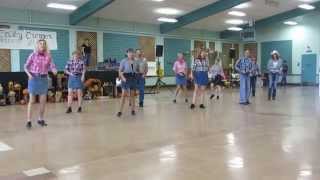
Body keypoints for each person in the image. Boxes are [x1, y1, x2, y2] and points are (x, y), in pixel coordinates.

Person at [24, 39, 57, 129]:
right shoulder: (33, 55)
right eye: (40, 43)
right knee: (32, 101)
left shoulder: (48, 56)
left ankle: (40, 119)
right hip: (34, 78)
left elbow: (52, 66)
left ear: (45, 46)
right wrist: (29, 75)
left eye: (44, 44)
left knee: (43, 101)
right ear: (37, 45)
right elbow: (25, 67)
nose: (42, 45)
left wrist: (54, 70)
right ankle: (29, 121)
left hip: (44, 79)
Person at [117, 48, 138, 117]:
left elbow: (137, 70)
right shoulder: (123, 61)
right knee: (123, 95)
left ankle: (133, 110)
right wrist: (123, 78)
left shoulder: (135, 61)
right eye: (129, 53)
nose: (131, 54)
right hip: (126, 77)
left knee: (132, 95)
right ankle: (120, 111)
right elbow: (120, 71)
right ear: (127, 53)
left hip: (133, 78)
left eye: (132, 52)